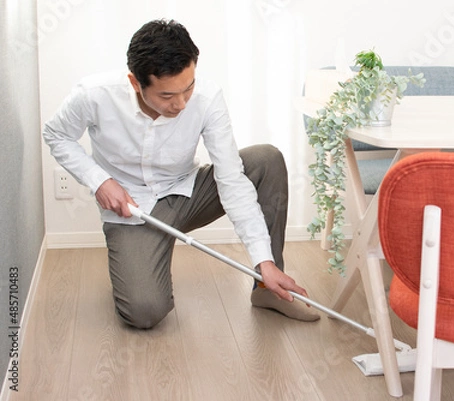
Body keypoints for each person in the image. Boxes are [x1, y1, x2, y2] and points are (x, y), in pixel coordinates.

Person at [43, 19, 319, 328]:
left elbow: (231, 179)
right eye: (166, 96)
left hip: (187, 193)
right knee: (144, 312)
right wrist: (100, 181)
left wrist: (262, 260)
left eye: (188, 88)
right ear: (136, 83)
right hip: (132, 209)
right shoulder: (94, 95)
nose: (181, 103)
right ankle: (142, 261)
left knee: (266, 159)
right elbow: (56, 134)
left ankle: (268, 286)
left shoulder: (207, 97)